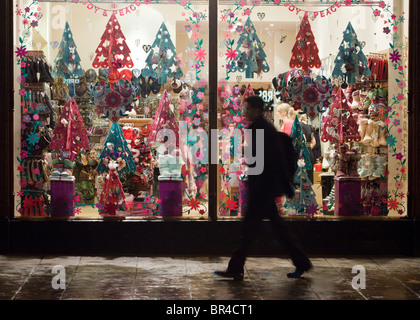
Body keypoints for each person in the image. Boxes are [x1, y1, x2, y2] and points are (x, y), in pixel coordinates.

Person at [214, 95, 313, 281]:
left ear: (257, 110)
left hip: (263, 187)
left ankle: (236, 268)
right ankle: (302, 263)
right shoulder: (260, 128)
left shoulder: (262, 129)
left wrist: (283, 185)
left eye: (248, 109)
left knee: (251, 230)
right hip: (263, 187)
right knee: (272, 228)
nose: (245, 112)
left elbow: (275, 160)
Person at [299, 114, 316, 184]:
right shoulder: (309, 126)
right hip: (310, 152)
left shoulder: (299, 124)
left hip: (303, 154)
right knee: (309, 179)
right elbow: (314, 142)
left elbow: (304, 139)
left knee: (303, 179)